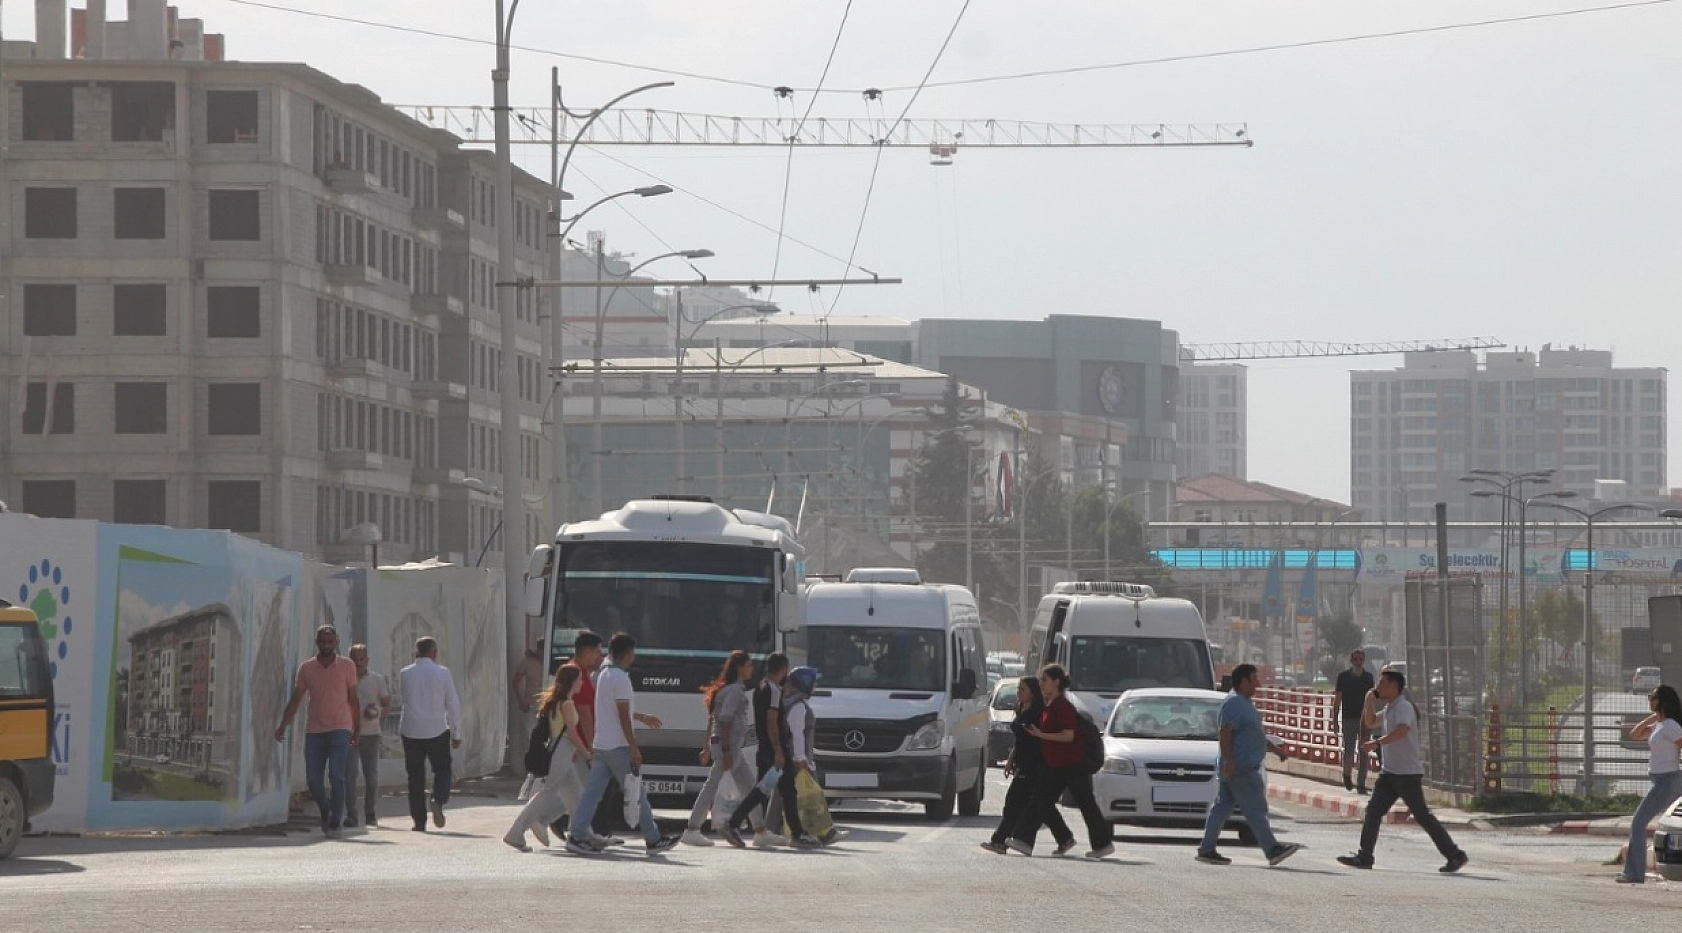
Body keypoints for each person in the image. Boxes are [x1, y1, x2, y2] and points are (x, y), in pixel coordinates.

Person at [1336, 669, 1468, 872]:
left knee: (1422, 815)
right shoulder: (1389, 708)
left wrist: (1377, 743)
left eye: (1382, 684)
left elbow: (1402, 730)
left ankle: (1455, 855)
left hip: (1406, 774)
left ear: (1394, 686)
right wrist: (1369, 700)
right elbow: (1371, 722)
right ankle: (1365, 856)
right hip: (1389, 773)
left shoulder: (1403, 706)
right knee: (1373, 812)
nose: (1378, 687)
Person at [564, 633, 679, 855]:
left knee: (591, 794)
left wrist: (642, 716)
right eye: (633, 653)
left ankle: (576, 835)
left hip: (601, 744)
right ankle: (653, 838)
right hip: (618, 746)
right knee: (637, 792)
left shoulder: (604, 675)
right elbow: (623, 716)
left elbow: (614, 711)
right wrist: (634, 747)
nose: (634, 657)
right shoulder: (621, 679)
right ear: (626, 654)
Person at [1004, 664, 1115, 859]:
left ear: (1056, 682)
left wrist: (1041, 734)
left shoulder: (1063, 707)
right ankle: (1023, 841)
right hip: (1056, 764)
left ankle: (1102, 844)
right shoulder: (1051, 706)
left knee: (1085, 804)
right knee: (1039, 802)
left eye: (1044, 680)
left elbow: (1068, 735)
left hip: (1071, 764)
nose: (1041, 685)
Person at [1195, 663, 1298, 866]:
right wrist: (1230, 761)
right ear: (1243, 681)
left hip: (1237, 767)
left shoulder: (1244, 703)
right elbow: (1225, 733)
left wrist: (1275, 751)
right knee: (1255, 810)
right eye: (1254, 679)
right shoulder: (1234, 703)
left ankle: (1206, 849)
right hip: (1240, 768)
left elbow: (1253, 735)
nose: (1258, 684)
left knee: (1222, 808)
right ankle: (1272, 849)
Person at [682, 651, 776, 846]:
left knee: (750, 787)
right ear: (740, 667)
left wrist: (708, 747)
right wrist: (725, 751)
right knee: (712, 787)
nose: (751, 669)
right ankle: (692, 829)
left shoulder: (728, 689)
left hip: (731, 747)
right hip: (729, 747)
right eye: (749, 665)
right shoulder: (734, 691)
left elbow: (713, 720)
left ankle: (760, 830)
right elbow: (724, 721)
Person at [274, 625, 360, 838]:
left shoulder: (347, 666)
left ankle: (335, 822)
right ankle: (325, 807)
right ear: (316, 642)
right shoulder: (307, 668)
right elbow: (296, 699)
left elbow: (354, 700)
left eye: (330, 642)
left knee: (336, 775)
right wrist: (283, 724)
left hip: (340, 727)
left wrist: (357, 730)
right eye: (322, 642)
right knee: (313, 779)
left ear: (336, 642)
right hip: (315, 730)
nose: (326, 646)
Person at [981, 676, 1074, 856]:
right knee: (1041, 804)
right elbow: (1020, 738)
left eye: (1023, 690)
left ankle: (999, 841)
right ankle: (1065, 838)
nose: (1019, 693)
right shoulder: (1022, 708)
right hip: (1023, 762)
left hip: (1035, 764)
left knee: (1013, 803)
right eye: (1018, 690)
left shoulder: (1040, 713)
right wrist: (1011, 758)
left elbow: (1042, 738)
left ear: (1033, 692)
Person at [504, 663, 593, 851]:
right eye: (579, 680)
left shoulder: (557, 702)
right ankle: (515, 833)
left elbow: (562, 732)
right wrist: (585, 752)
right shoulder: (567, 704)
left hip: (562, 751)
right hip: (560, 752)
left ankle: (583, 835)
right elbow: (572, 732)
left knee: (577, 796)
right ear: (572, 682)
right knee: (545, 795)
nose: (582, 683)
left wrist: (574, 751)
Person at [722, 652, 800, 848]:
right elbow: (772, 721)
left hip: (764, 750)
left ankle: (733, 823)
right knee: (787, 791)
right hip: (776, 751)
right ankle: (798, 835)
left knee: (762, 790)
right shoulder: (774, 690)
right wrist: (779, 751)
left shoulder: (760, 687)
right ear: (783, 669)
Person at [398, 636, 463, 833]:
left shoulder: (405, 673)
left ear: (416, 652)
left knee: (415, 776)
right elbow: (452, 704)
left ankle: (419, 821)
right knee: (443, 769)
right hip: (436, 729)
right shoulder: (442, 673)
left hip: (411, 730)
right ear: (434, 653)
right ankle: (437, 798)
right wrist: (456, 732)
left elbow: (404, 697)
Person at [1618, 684, 1682, 883]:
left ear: (1662, 701)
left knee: (1638, 823)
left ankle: (1633, 874)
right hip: (1659, 780)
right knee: (1645, 823)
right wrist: (1654, 717)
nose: (1650, 700)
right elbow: (1635, 733)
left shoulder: (1671, 726)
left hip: (1668, 780)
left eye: (1653, 697)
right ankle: (1633, 872)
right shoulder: (1660, 725)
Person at [344, 643, 391, 828]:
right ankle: (352, 814)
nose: (358, 663)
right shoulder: (344, 680)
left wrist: (376, 712)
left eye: (362, 659)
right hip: (349, 732)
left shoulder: (377, 680)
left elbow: (387, 704)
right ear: (350, 660)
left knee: (371, 775)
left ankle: (370, 813)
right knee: (350, 775)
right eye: (355, 659)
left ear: (368, 660)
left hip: (371, 733)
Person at [1333, 648, 1375, 794]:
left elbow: (1372, 701)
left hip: (1364, 720)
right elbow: (1337, 700)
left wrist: (1372, 719)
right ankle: (1346, 774)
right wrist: (1334, 720)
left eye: (1360, 659)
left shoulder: (1369, 678)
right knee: (1349, 750)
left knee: (1364, 751)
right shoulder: (1343, 677)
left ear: (1364, 661)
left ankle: (1361, 783)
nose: (1358, 662)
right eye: (1355, 659)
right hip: (1348, 718)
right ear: (1351, 661)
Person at [512, 640, 546, 801]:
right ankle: (530, 772)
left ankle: (541, 772)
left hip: (547, 709)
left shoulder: (552, 662)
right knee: (530, 738)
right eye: (540, 649)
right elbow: (516, 681)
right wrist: (520, 699)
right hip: (531, 706)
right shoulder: (529, 662)